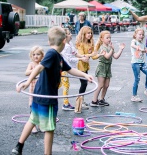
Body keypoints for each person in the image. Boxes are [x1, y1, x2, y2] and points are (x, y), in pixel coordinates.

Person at [12, 26, 93, 155]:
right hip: (47, 97)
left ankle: (18, 146)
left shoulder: (58, 57)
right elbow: (39, 68)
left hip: (40, 95)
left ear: (50, 42)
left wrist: (84, 75)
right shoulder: (52, 54)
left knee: (33, 120)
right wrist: (27, 82)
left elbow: (70, 69)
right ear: (64, 41)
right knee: (49, 128)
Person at [90, 30, 125, 106]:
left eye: (110, 37)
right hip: (102, 67)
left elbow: (115, 56)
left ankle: (102, 99)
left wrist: (121, 49)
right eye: (107, 38)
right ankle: (94, 101)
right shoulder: (102, 47)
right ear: (102, 39)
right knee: (101, 85)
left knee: (106, 85)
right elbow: (107, 56)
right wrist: (112, 49)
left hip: (108, 68)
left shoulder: (109, 47)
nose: (109, 39)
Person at [60, 28, 88, 111]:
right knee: (65, 85)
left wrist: (82, 57)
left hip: (68, 67)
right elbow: (69, 59)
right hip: (64, 68)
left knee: (62, 84)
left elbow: (75, 53)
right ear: (65, 37)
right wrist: (81, 59)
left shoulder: (70, 44)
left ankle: (65, 102)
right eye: (69, 34)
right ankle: (65, 104)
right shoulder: (66, 47)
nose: (71, 34)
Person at [75, 26, 96, 110]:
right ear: (83, 34)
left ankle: (81, 100)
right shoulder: (80, 44)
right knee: (83, 83)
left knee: (84, 84)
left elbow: (94, 56)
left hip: (86, 66)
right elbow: (82, 55)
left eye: (91, 33)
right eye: (88, 33)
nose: (90, 35)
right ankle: (79, 101)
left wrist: (100, 54)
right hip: (80, 67)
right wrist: (91, 54)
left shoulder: (90, 43)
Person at [25, 46, 44, 133]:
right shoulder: (31, 64)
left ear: (42, 56)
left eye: (38, 54)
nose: (36, 56)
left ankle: (40, 124)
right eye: (34, 54)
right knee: (33, 107)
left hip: (41, 90)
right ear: (31, 56)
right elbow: (26, 72)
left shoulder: (43, 64)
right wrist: (35, 71)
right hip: (33, 90)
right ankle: (33, 126)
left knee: (41, 107)